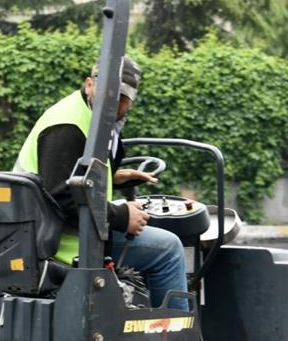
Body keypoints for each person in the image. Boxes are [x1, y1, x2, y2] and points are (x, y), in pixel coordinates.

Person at [14, 56, 189, 310]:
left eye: (123, 97)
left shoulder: (93, 119)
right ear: (89, 84)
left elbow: (71, 176)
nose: (115, 102)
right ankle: (173, 339)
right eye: (110, 92)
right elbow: (61, 197)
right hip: (62, 244)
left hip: (62, 233)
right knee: (169, 250)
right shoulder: (68, 126)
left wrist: (115, 177)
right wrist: (120, 215)